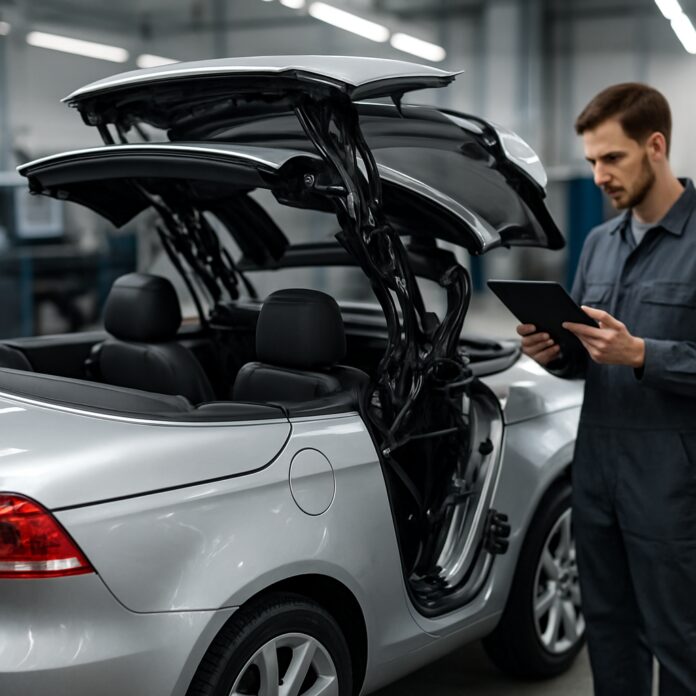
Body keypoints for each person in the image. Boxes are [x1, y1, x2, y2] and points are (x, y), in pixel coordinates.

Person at [517, 83, 696, 695]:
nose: (598, 176)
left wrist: (642, 353)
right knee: (611, 636)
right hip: (596, 476)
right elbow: (588, 360)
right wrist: (556, 354)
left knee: (681, 642)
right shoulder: (599, 244)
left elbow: (631, 353)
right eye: (592, 160)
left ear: (656, 146)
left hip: (672, 484)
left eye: (612, 158)